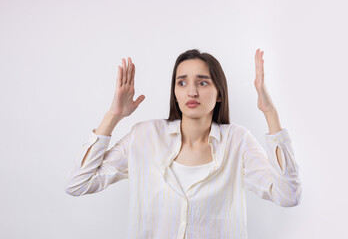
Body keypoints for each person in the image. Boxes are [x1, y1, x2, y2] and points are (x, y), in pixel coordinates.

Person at [64, 49, 302, 239]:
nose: (192, 92)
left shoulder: (237, 141)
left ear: (219, 93)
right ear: (174, 92)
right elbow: (78, 184)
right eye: (182, 83)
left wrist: (270, 112)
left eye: (203, 83)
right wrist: (113, 116)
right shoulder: (144, 136)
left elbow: (288, 196)